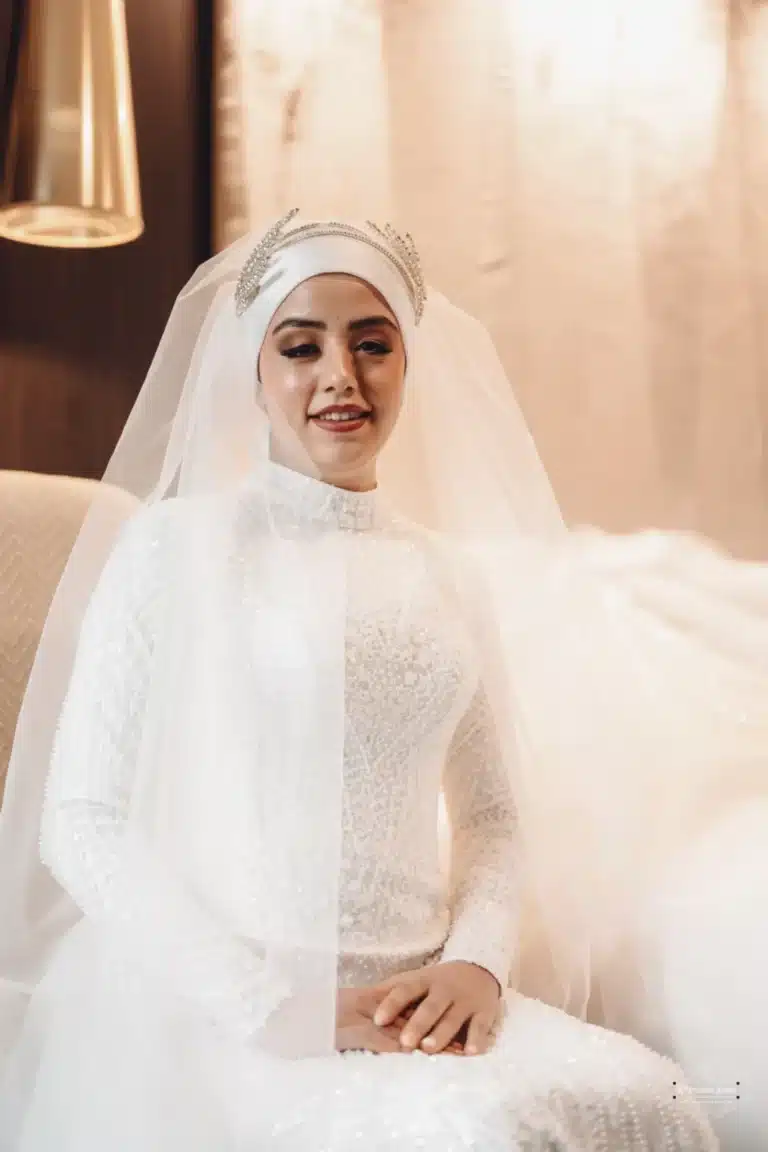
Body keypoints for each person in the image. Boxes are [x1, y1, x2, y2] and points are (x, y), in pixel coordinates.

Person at [0, 212, 764, 1151]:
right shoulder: (173, 547)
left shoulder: (448, 575)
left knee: (648, 1099)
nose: (340, 378)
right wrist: (264, 1000)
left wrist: (476, 965)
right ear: (253, 369)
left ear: (408, 363)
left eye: (373, 344)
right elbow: (81, 820)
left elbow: (491, 819)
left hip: (425, 1001)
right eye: (300, 346)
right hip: (229, 1008)